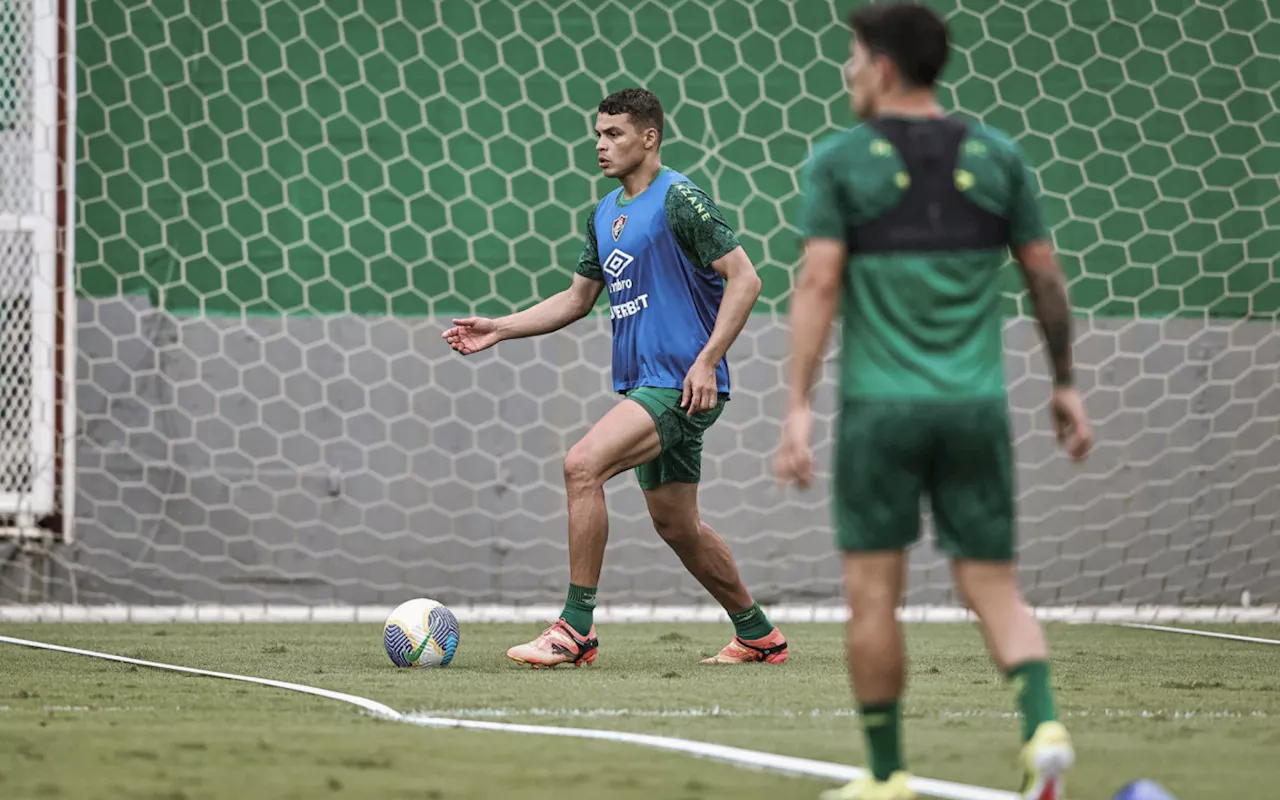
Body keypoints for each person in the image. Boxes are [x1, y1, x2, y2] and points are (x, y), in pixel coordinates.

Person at [773, 4, 1093, 799]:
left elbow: (817, 281)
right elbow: (1046, 279)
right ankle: (1044, 728)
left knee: (873, 595)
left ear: (881, 67)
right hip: (976, 409)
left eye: (852, 57)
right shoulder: (998, 156)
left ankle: (885, 778)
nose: (847, 72)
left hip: (882, 414)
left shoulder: (841, 161)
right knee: (994, 586)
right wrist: (1063, 383)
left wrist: (798, 404)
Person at [444, 87, 788, 669]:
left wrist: (706, 361)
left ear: (649, 137)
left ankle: (575, 630)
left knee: (582, 465)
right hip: (645, 385)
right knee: (678, 526)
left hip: (680, 383)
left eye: (614, 134)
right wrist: (499, 328)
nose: (601, 145)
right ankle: (758, 636)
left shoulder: (681, 199)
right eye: (598, 135)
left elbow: (746, 279)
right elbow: (578, 300)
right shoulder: (604, 214)